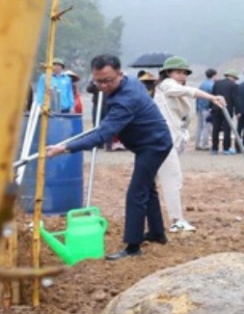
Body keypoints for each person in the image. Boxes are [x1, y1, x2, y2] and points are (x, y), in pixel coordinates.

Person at [44, 54, 176, 261]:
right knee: (147, 187)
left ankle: (133, 247)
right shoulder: (128, 83)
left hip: (154, 144)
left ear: (120, 74)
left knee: (136, 193)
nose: (103, 86)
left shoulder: (127, 98)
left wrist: (64, 147)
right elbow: (105, 127)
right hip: (149, 141)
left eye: (108, 80)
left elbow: (102, 135)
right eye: (99, 81)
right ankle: (157, 234)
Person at [153, 56, 226, 232]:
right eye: (177, 72)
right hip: (163, 140)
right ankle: (176, 220)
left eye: (184, 73)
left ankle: (149, 217)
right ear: (168, 73)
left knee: (150, 181)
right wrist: (211, 97)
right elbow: (190, 92)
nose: (181, 76)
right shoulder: (167, 85)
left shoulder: (178, 88)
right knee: (173, 179)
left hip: (172, 139)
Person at [210, 69, 239, 154]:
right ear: (232, 77)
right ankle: (226, 148)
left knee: (215, 128)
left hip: (216, 108)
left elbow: (212, 95)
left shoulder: (217, 83)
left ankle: (214, 148)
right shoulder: (234, 85)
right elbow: (235, 99)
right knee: (227, 129)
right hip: (227, 109)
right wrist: (237, 111)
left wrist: (211, 107)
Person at [195, 68, 217, 149]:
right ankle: (205, 144)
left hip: (199, 108)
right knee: (207, 127)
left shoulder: (202, 84)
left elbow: (197, 97)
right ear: (214, 75)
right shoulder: (212, 85)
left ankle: (197, 144)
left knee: (199, 126)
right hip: (207, 108)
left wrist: (197, 108)